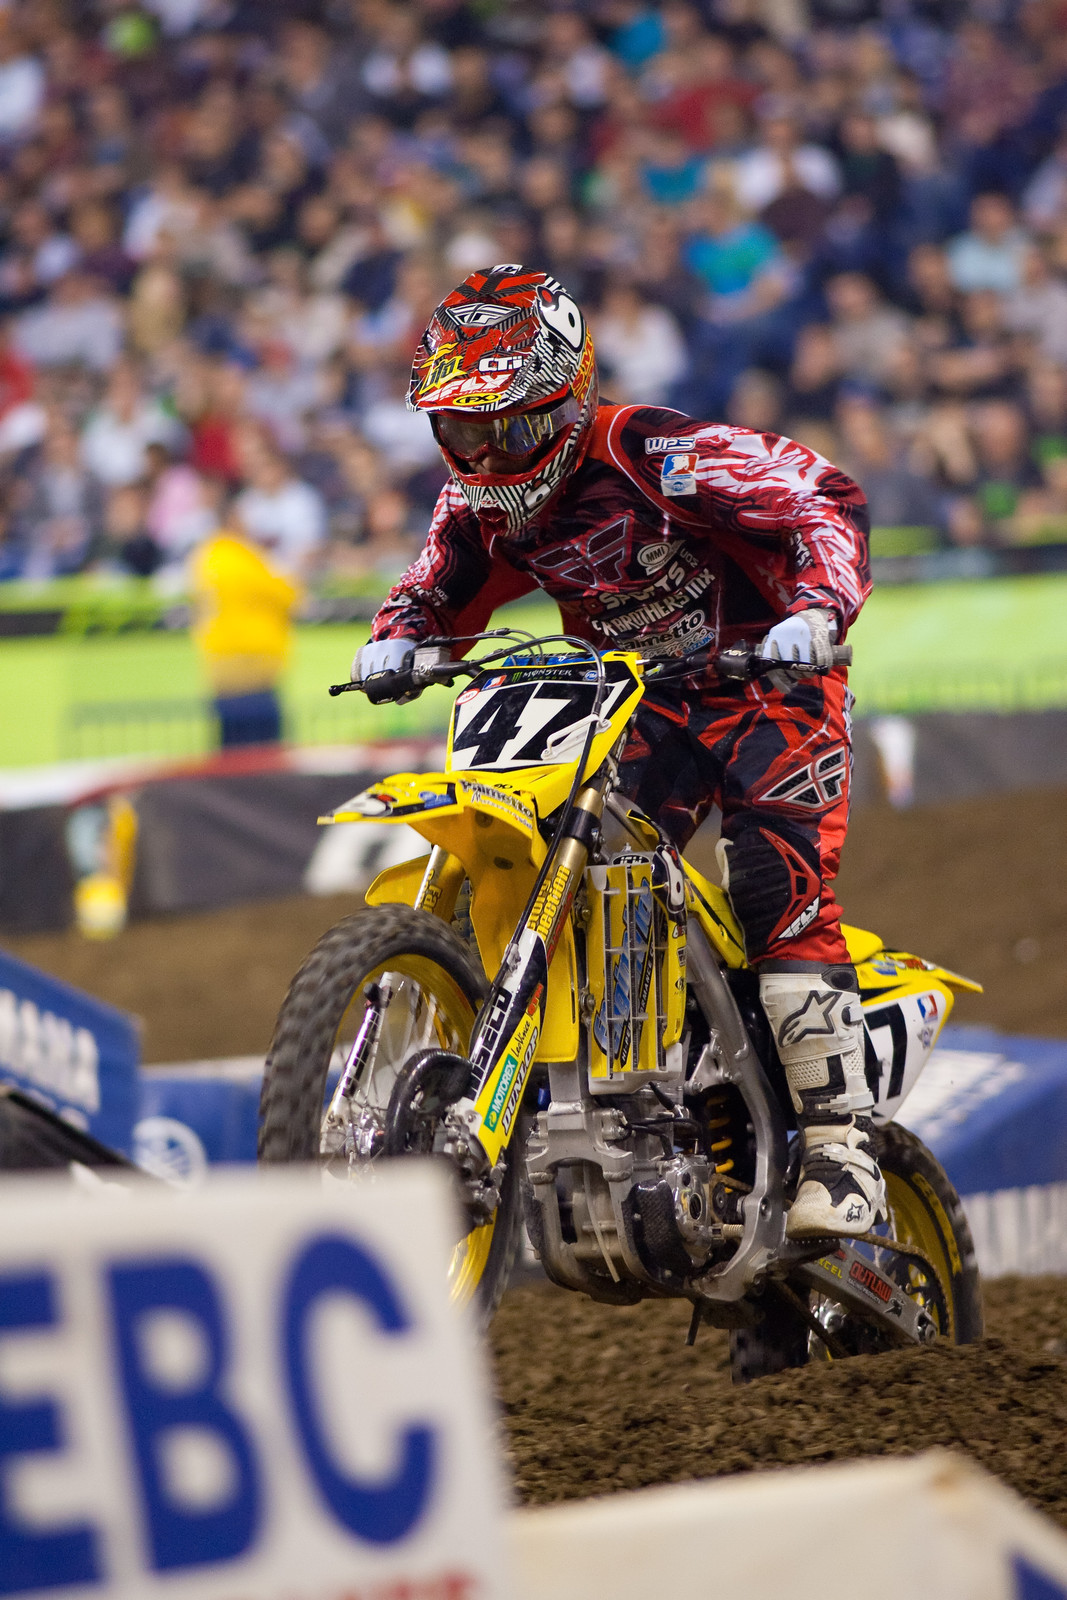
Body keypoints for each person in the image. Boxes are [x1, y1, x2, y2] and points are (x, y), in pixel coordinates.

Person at [350, 266, 882, 1240]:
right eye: (458, 430)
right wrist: (401, 634)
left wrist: (814, 609)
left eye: (501, 427)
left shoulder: (656, 454)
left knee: (773, 888)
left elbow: (822, 496)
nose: (479, 452)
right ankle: (630, 1099)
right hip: (639, 702)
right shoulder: (481, 503)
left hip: (770, 685)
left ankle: (841, 1147)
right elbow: (435, 587)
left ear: (564, 400)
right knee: (585, 865)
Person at [190, 502, 300, 748]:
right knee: (262, 748)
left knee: (230, 748)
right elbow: (288, 595)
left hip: (223, 661)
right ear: (233, 521)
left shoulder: (207, 557)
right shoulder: (242, 557)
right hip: (252, 661)